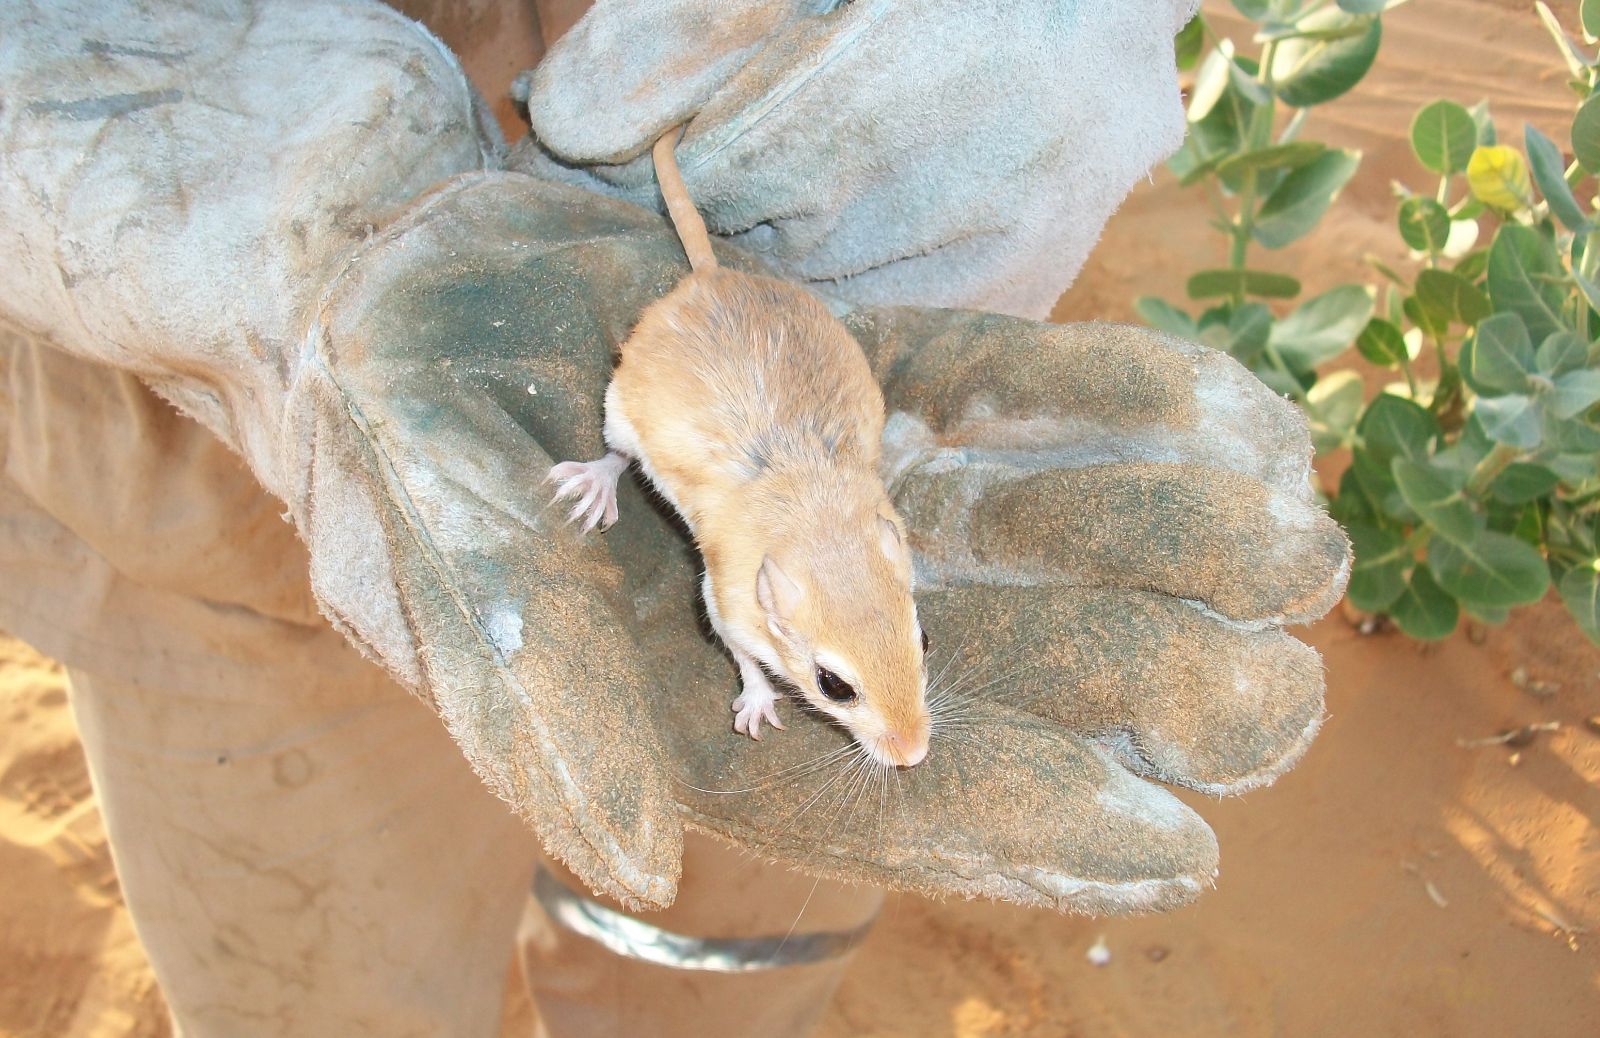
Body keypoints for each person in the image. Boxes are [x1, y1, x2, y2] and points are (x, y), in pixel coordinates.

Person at [0, 1, 1349, 1034]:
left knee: (742, 928)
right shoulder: (748, 593)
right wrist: (238, 196)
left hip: (797, 205)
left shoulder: (857, 577)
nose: (899, 735)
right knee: (327, 974)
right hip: (199, 463)